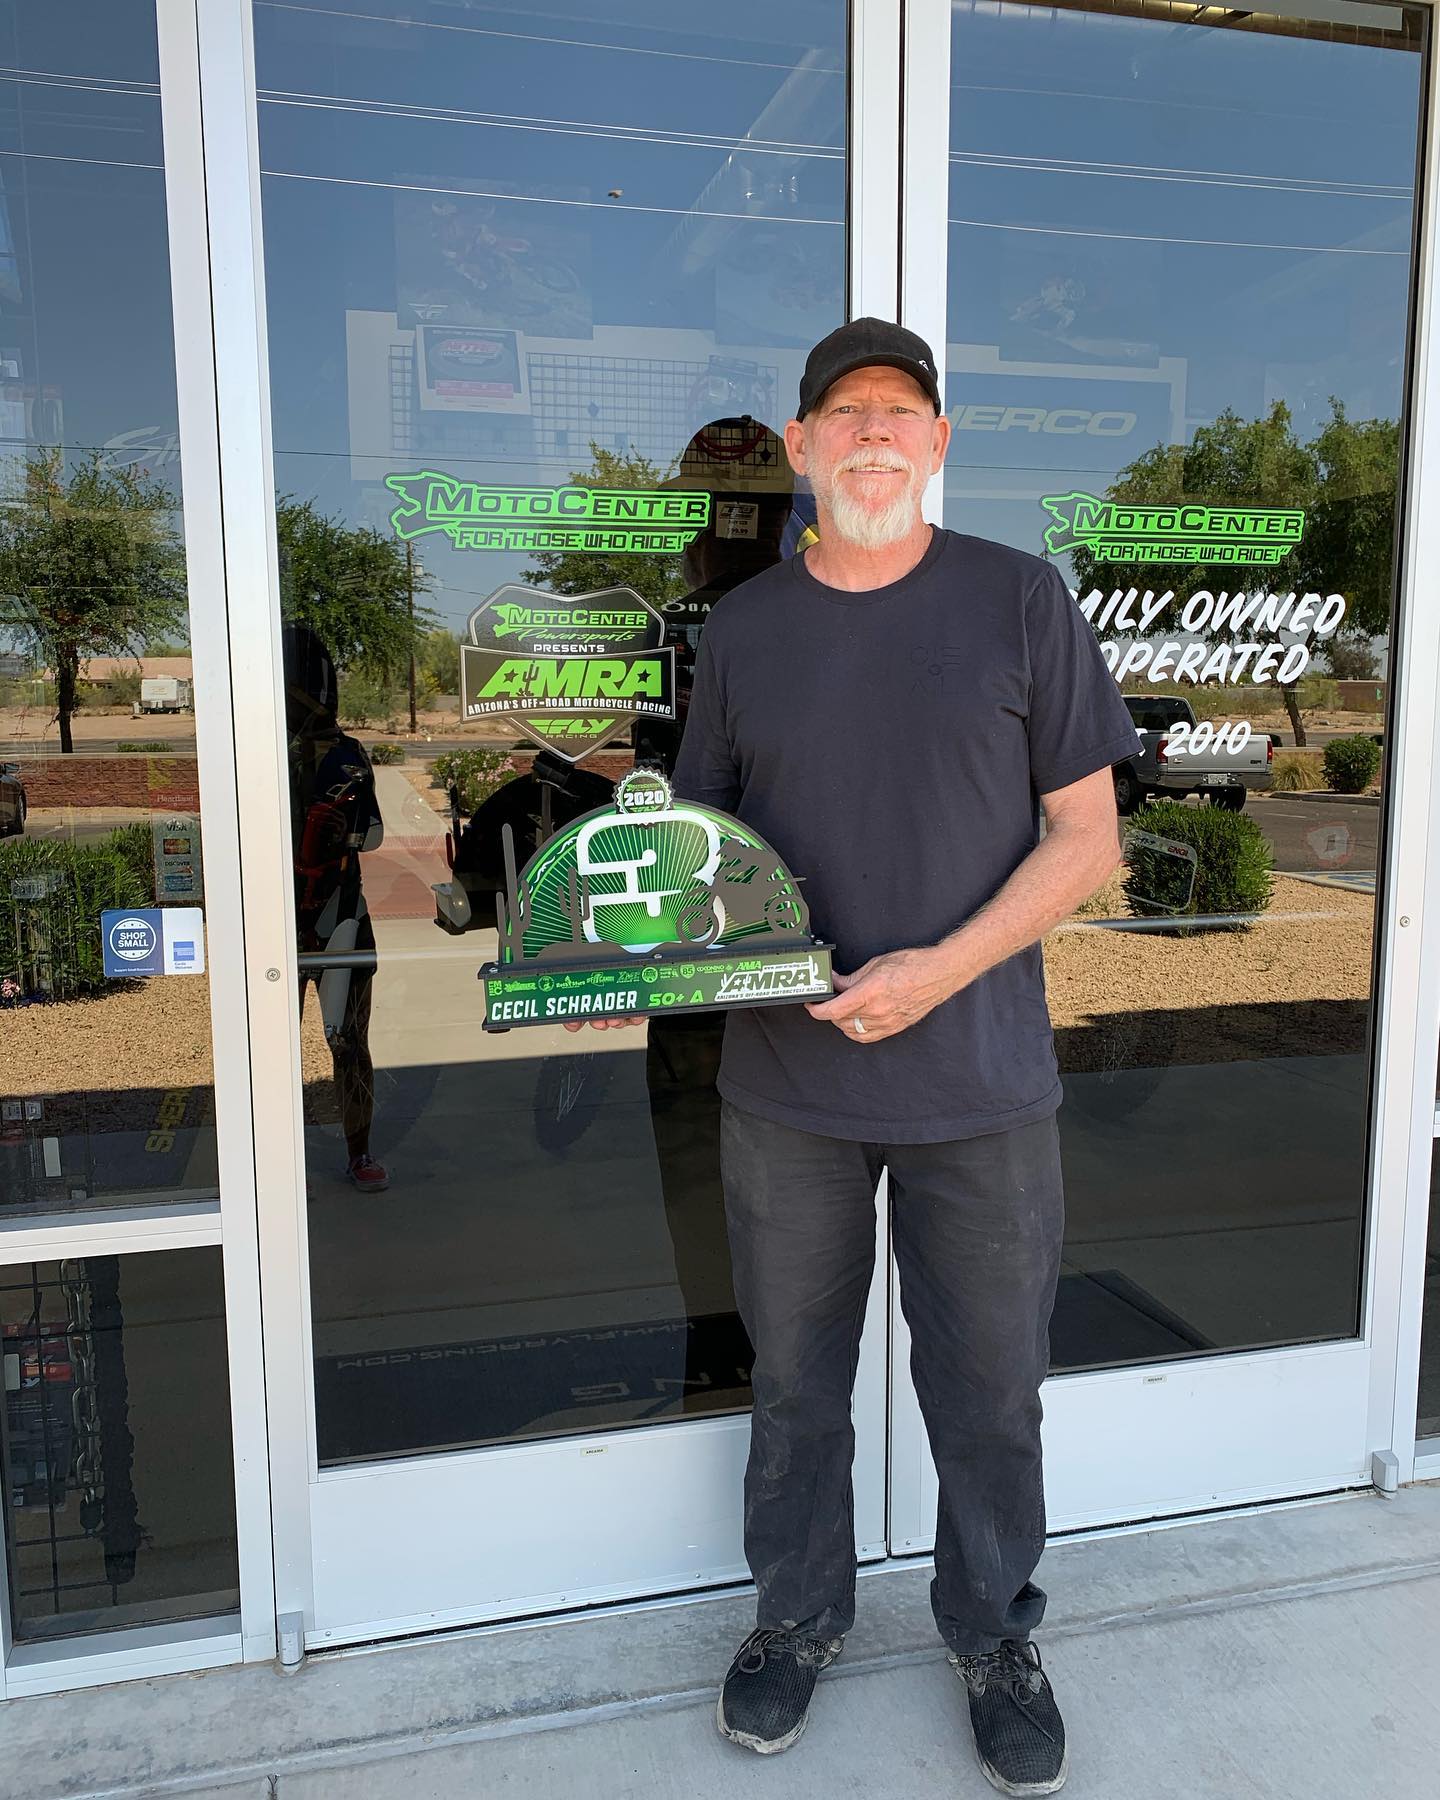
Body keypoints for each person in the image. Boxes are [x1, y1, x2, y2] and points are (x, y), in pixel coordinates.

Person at [572, 317, 1137, 1796]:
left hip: (982, 1086)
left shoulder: (1021, 600)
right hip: (790, 1092)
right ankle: (796, 1616)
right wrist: (603, 953)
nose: (875, 432)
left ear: (937, 444)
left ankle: (994, 1634)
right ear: (804, 447)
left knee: (992, 1390)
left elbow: (1087, 839)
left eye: (901, 411)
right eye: (846, 412)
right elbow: (700, 858)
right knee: (794, 1384)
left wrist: (936, 971)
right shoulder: (747, 632)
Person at [283, 623, 389, 1194]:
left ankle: (359, 1148)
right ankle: (270, 1157)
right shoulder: (263, 751)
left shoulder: (348, 755)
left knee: (348, 1039)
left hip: (342, 913)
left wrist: (336, 826)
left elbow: (371, 832)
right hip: (281, 918)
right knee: (270, 1040)